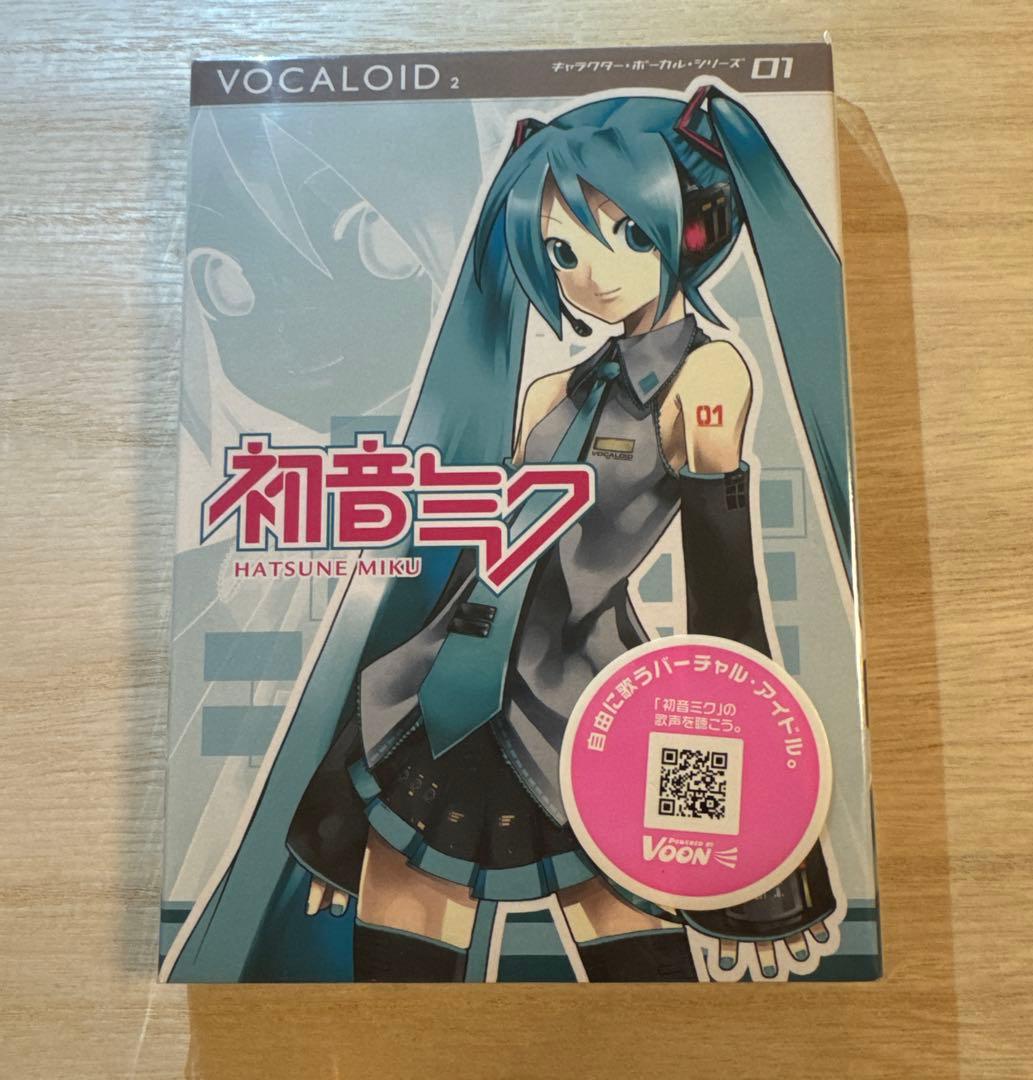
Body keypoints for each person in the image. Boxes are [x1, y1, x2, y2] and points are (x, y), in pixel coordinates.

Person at [164, 83, 853, 984]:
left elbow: (722, 597)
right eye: (563, 250)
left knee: (644, 987)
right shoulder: (550, 392)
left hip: (584, 707)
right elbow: (472, 579)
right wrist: (339, 800)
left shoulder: (708, 377)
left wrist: (753, 858)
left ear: (693, 230)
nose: (591, 274)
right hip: (452, 699)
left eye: (628, 234)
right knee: (393, 987)